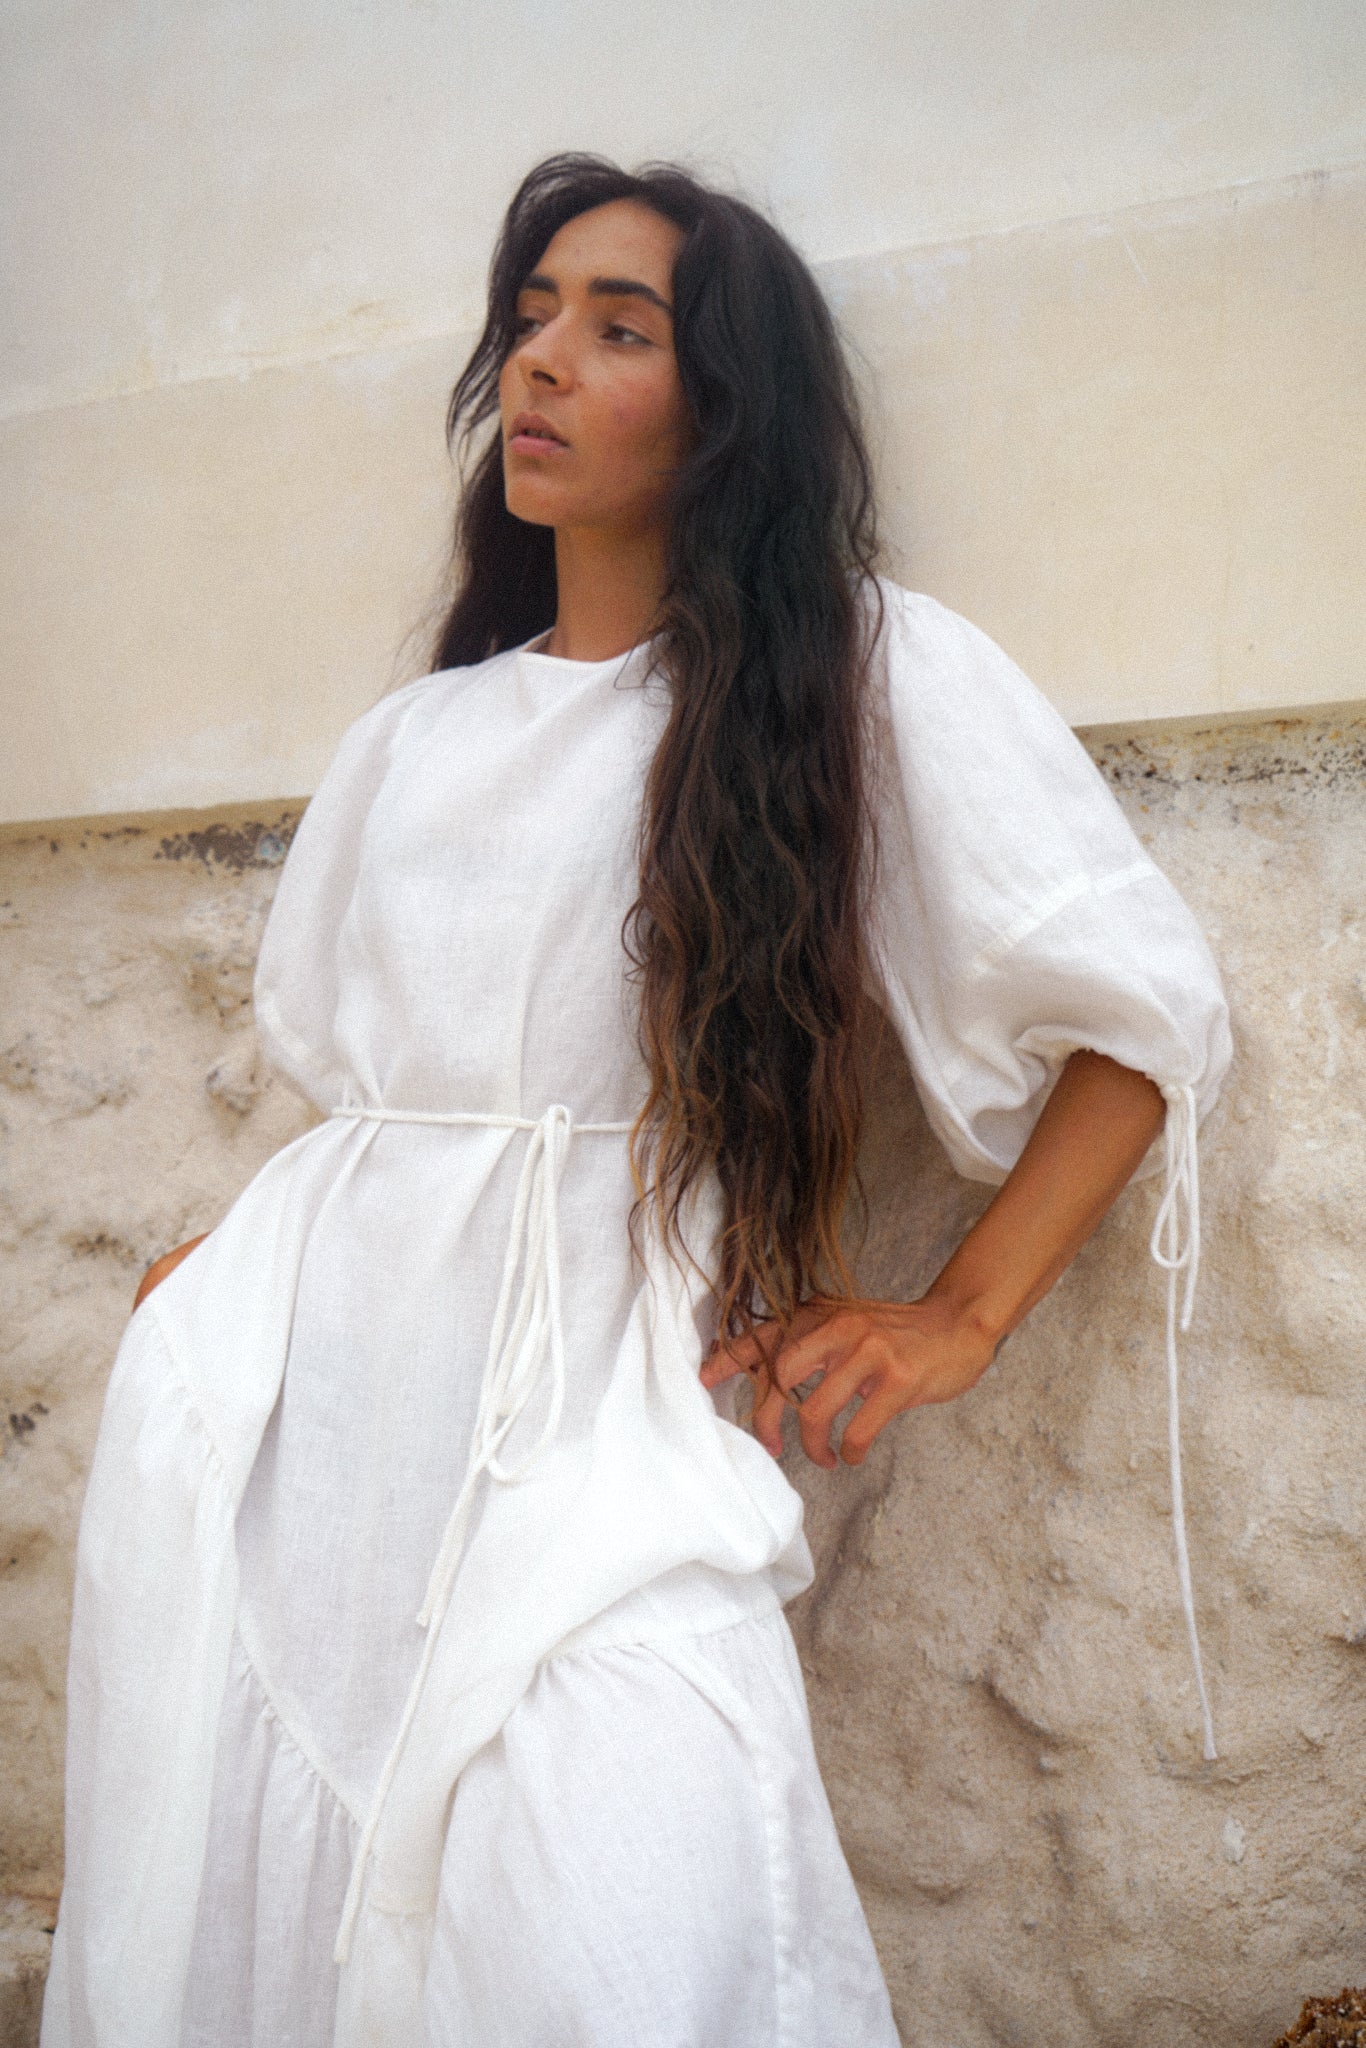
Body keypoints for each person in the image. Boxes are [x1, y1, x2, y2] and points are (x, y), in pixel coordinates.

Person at [42, 154, 1230, 2048]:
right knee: (262, 1901)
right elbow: (374, 1089)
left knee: (629, 1909)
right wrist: (249, 1258)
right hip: (304, 1434)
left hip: (606, 1436)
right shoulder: (413, 738)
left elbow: (1134, 1020)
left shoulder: (862, 675)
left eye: (617, 327)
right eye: (526, 321)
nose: (541, 362)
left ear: (726, 401)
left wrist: (959, 1315)